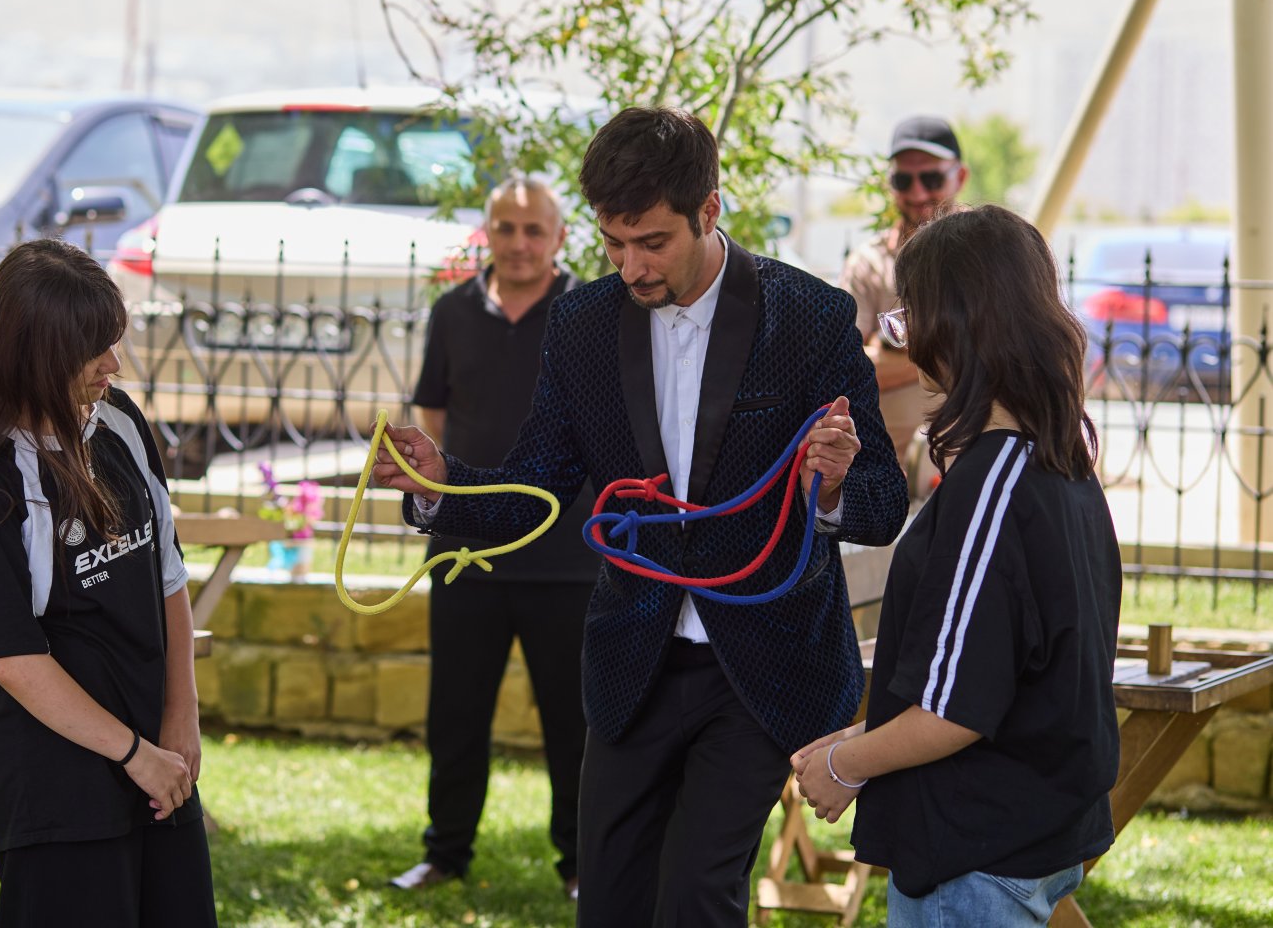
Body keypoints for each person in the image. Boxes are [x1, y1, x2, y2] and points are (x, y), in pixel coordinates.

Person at [374, 107, 907, 926]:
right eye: (613, 243)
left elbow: (882, 502)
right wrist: (445, 488)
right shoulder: (583, 323)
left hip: (764, 666)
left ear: (710, 210)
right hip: (635, 661)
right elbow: (539, 483)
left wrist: (832, 486)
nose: (630, 266)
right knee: (611, 901)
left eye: (652, 242)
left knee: (695, 895)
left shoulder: (809, 316)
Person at [792, 205, 1121, 927]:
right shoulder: (1059, 460)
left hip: (973, 852)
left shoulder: (991, 486)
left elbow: (954, 712)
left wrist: (847, 765)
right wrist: (856, 738)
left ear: (957, 326)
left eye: (911, 319)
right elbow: (1007, 678)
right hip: (1035, 834)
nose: (906, 345)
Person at [0, 239, 215, 927]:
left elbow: (167, 575)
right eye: (94, 351)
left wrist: (182, 712)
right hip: (59, 785)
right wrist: (131, 753)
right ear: (37, 356)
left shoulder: (120, 424)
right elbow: (15, 659)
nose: (113, 366)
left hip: (155, 758)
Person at [389, 177, 595, 900]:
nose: (518, 243)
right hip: (464, 553)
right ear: (489, 234)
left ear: (560, 237)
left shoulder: (590, 313)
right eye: (505, 228)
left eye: (534, 229)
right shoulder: (452, 312)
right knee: (455, 714)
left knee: (574, 724)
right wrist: (432, 500)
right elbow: (432, 417)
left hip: (567, 554)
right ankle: (445, 852)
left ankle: (578, 864)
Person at [839, 116, 967, 470]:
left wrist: (898, 349)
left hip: (971, 465)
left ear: (961, 177)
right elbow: (843, 369)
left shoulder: (984, 259)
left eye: (931, 178)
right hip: (887, 470)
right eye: (902, 179)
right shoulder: (867, 262)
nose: (917, 193)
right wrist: (953, 347)